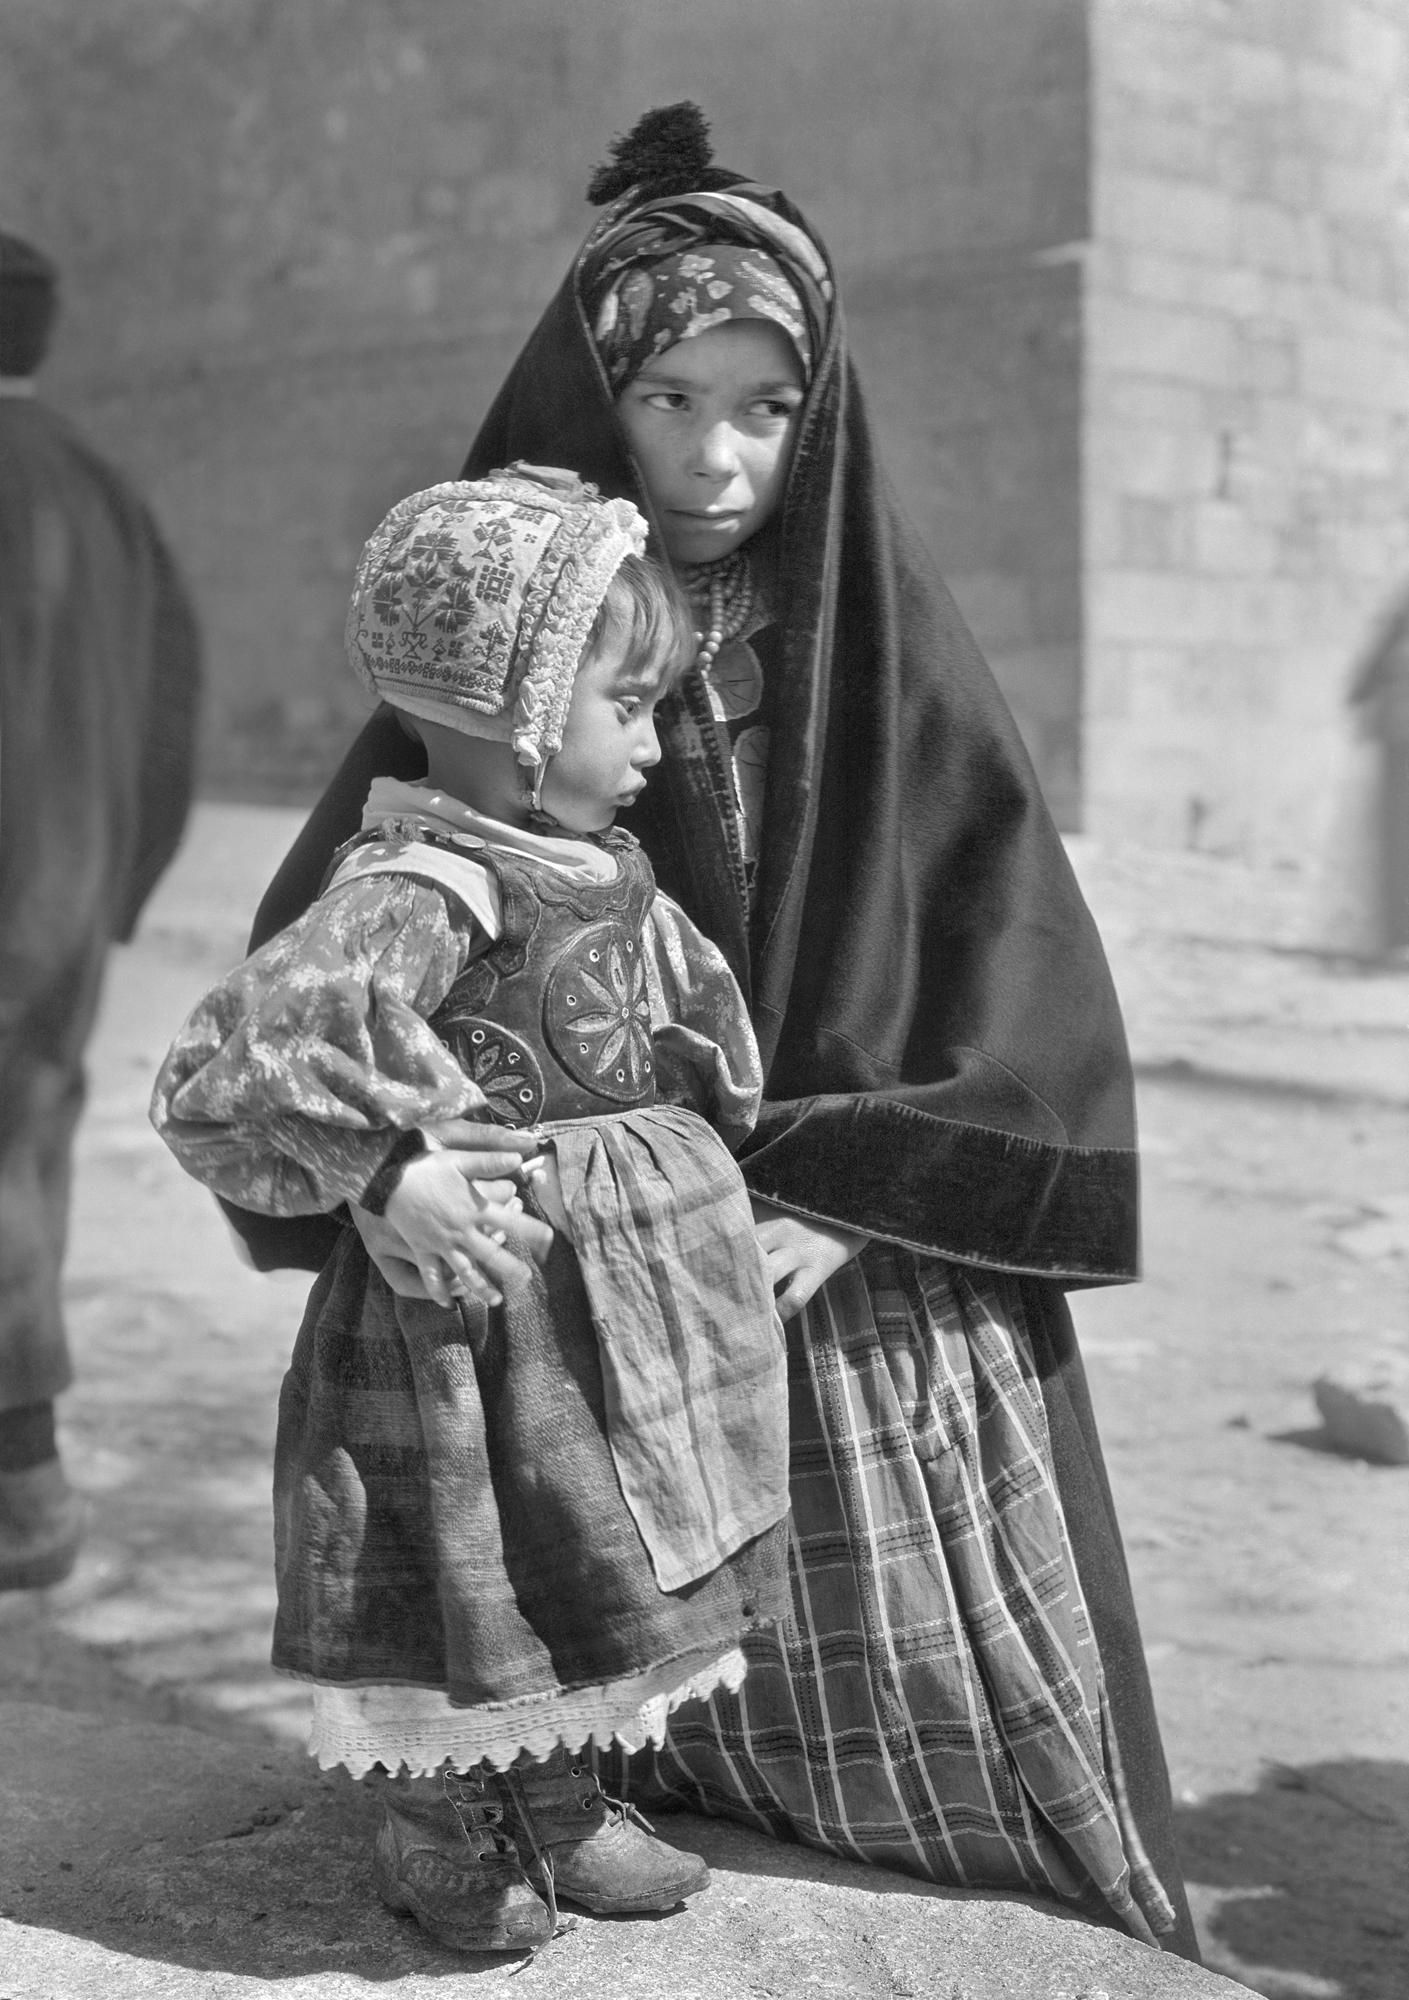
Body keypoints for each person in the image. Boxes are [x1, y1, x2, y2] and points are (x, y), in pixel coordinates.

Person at [230, 107, 1199, 1957]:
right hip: (555, 1257)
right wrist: (388, 1159)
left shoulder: (888, 652)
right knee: (493, 1545)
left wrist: (865, 1183)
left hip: (828, 1255)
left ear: (818, 407)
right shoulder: (520, 633)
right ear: (596, 392)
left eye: (764, 406)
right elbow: (308, 983)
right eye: (669, 398)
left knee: (900, 1697)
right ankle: (495, 1801)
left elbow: (1014, 964)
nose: (718, 453)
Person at [151, 464, 792, 1955]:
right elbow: (234, 1068)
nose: (652, 743)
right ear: (512, 711)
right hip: (479, 1303)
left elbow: (693, 1019)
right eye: (623, 707)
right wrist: (388, 1164)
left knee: (577, 1538)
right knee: (467, 1539)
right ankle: (441, 1819)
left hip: (602, 1298)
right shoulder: (426, 885)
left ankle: (557, 1794)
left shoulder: (587, 866)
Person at [0, 230, 201, 1592]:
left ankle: (23, 1490)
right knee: (25, 1154)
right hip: (61, 892)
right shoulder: (100, 483)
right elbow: (169, 701)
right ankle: (25, 1487)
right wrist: (115, 880)